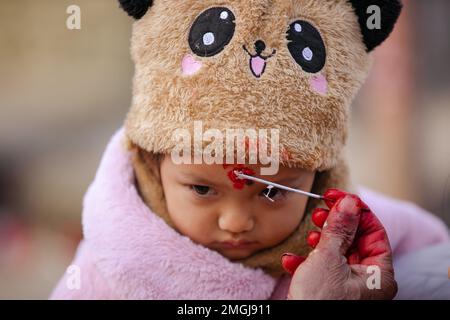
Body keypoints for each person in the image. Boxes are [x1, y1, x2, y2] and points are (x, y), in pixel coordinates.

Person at [50, 0, 449, 299]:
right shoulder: (108, 267)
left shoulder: (357, 241)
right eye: (203, 190)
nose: (236, 222)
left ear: (319, 175)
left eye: (273, 191)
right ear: (153, 164)